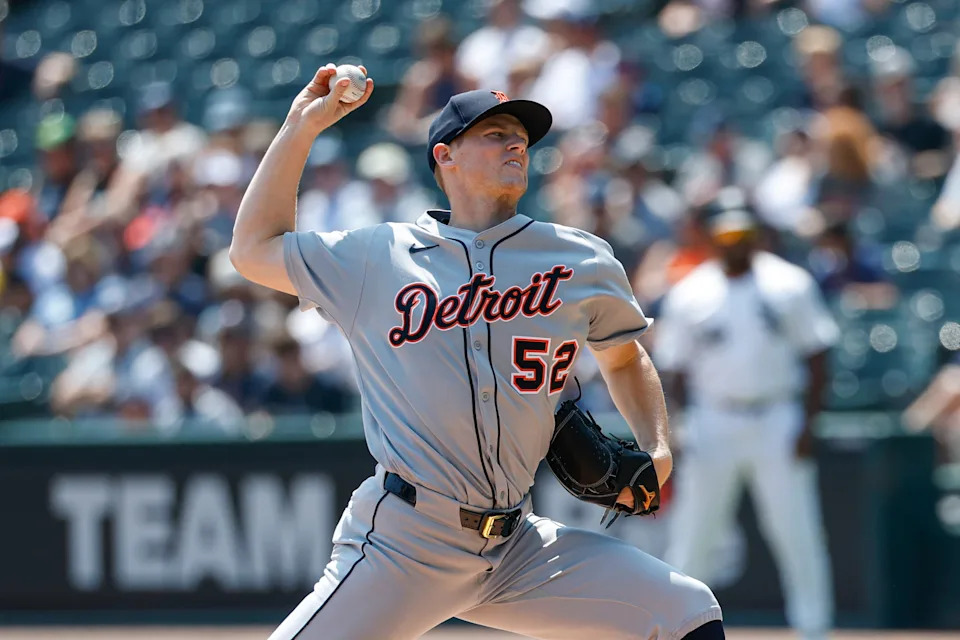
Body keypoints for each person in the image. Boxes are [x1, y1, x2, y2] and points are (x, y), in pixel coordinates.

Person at [229, 63, 723, 639]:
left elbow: (622, 355)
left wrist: (657, 443)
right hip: (406, 542)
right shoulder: (377, 256)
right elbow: (253, 248)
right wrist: (301, 127)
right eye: (495, 134)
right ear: (446, 156)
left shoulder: (580, 258)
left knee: (686, 612)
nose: (516, 143)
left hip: (518, 547)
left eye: (521, 137)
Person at [656, 191, 837, 640]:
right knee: (695, 533)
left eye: (743, 233)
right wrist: (676, 429)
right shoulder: (691, 290)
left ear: (756, 236)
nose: (735, 241)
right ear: (714, 238)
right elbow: (672, 370)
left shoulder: (789, 283)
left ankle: (813, 628)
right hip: (713, 418)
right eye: (727, 234)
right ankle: (678, 627)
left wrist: (807, 425)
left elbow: (817, 356)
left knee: (796, 530)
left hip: (777, 414)